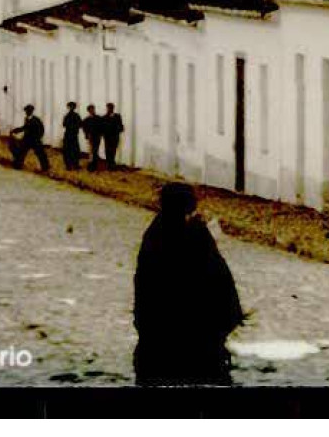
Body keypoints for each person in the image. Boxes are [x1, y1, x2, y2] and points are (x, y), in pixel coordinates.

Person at [133, 183, 245, 386]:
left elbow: (143, 288)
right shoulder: (196, 235)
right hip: (199, 344)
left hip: (159, 344)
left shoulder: (154, 235)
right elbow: (220, 281)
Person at [9, 104, 49, 172]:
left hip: (35, 140)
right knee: (21, 152)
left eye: (29, 111)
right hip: (27, 139)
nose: (27, 112)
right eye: (26, 111)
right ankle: (17, 165)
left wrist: (39, 137)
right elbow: (24, 128)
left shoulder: (36, 120)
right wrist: (15, 130)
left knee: (40, 153)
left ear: (32, 111)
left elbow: (41, 129)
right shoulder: (26, 119)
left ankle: (45, 167)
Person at [60, 102, 84, 171]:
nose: (71, 108)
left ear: (74, 107)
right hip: (69, 135)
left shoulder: (75, 116)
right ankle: (69, 165)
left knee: (74, 150)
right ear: (68, 107)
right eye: (70, 106)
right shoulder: (68, 116)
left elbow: (80, 124)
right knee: (68, 151)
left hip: (73, 135)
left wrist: (73, 126)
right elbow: (64, 124)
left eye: (72, 106)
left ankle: (75, 164)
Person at [101, 102, 124, 169]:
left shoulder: (117, 116)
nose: (110, 109)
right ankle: (109, 163)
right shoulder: (104, 117)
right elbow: (102, 127)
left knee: (113, 150)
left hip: (115, 137)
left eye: (111, 107)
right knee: (108, 150)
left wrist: (118, 130)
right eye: (108, 108)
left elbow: (121, 126)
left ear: (113, 108)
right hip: (107, 137)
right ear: (107, 108)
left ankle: (112, 163)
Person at [83, 104, 103, 170]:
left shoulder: (98, 118)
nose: (92, 111)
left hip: (97, 137)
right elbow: (84, 128)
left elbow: (101, 126)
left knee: (95, 150)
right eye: (90, 110)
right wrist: (86, 135)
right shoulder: (86, 119)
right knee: (91, 151)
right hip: (90, 137)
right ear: (88, 111)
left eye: (93, 109)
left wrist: (100, 134)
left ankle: (94, 164)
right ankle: (91, 165)